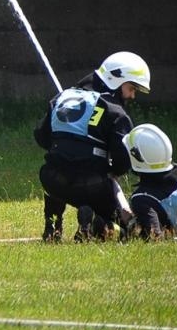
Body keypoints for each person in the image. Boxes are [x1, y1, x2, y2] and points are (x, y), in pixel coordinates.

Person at [33, 51, 149, 242]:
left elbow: (41, 137)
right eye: (131, 88)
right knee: (130, 230)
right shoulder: (116, 112)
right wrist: (110, 169)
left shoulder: (61, 98)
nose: (132, 95)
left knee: (55, 166)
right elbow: (122, 162)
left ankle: (52, 226)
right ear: (116, 81)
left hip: (53, 181)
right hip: (93, 188)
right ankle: (92, 218)